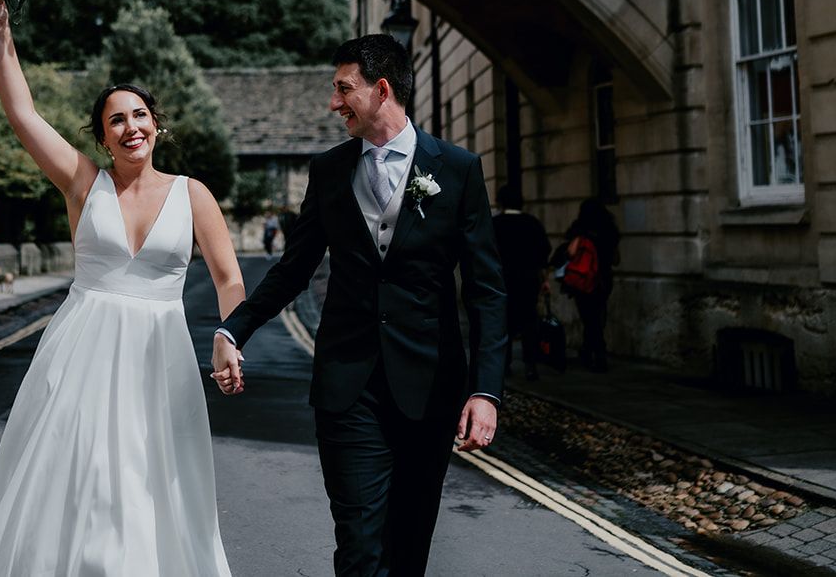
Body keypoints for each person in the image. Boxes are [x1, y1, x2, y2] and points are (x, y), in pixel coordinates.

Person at [0, 0, 244, 576]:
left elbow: (228, 277)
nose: (130, 126)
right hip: (81, 352)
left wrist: (230, 336)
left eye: (139, 115)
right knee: (79, 481)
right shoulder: (84, 183)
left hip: (159, 357)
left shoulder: (193, 195)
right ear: (101, 136)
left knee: (153, 484)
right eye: (117, 119)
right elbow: (22, 114)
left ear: (157, 126)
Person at [214, 34, 507, 577]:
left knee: (409, 545)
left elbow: (487, 291)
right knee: (359, 546)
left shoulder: (459, 169)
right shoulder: (328, 171)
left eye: (343, 89)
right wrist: (234, 330)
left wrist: (485, 391)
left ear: (382, 89)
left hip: (430, 386)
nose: (333, 102)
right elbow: (294, 268)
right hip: (348, 388)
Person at [554, 197, 620, 372]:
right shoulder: (609, 230)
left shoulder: (580, 230)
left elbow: (570, 253)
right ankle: (594, 352)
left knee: (588, 318)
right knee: (597, 317)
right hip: (603, 279)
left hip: (583, 279)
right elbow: (616, 258)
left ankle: (594, 352)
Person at [492, 184, 550, 380]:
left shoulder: (495, 224)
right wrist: (544, 278)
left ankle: (505, 365)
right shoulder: (532, 223)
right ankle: (530, 365)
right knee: (528, 324)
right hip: (528, 281)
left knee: (504, 324)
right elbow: (544, 252)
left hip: (503, 281)